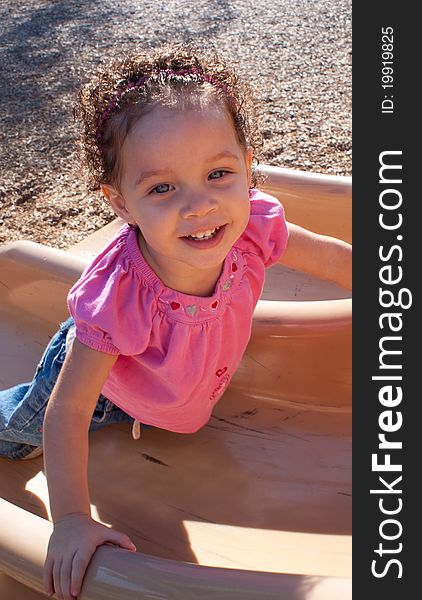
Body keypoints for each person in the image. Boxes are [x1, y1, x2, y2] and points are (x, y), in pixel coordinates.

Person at [0, 43, 352, 599]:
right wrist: (69, 520)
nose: (200, 205)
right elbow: (67, 410)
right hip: (103, 382)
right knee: (19, 431)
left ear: (247, 166)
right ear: (120, 203)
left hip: (165, 384)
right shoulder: (120, 299)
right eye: (162, 188)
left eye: (218, 173)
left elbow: (332, 259)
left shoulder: (256, 226)